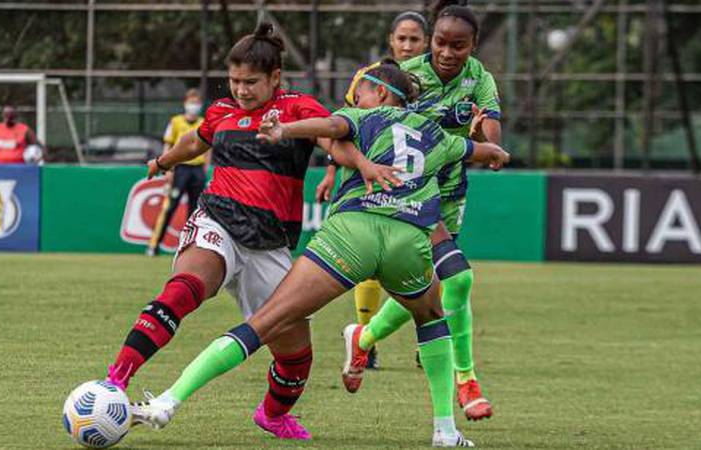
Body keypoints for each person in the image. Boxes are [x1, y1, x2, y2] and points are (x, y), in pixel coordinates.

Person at [130, 62, 509, 447]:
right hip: (408, 240)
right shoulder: (435, 132)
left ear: (380, 93)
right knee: (431, 319)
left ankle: (167, 401)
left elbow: (330, 128)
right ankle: (445, 429)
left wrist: (285, 130)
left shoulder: (363, 115)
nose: (353, 96)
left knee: (265, 322)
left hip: (353, 235)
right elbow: (484, 151)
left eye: (360, 88)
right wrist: (494, 150)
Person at [104, 23, 381, 440]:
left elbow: (333, 139)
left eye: (250, 82)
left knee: (296, 359)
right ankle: (116, 381)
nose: (241, 90)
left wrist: (359, 163)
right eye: (234, 81)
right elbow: (196, 144)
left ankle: (272, 415)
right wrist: (164, 161)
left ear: (275, 78)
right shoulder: (219, 113)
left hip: (269, 246)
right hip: (217, 221)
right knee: (185, 287)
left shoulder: (298, 108)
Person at [333, 0, 503, 421]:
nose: (447, 53)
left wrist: (483, 133)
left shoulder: (480, 79)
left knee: (428, 287)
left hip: (449, 195)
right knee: (458, 280)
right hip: (408, 196)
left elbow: (495, 148)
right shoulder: (408, 77)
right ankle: (466, 382)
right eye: (441, 43)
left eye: (458, 46)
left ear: (473, 46)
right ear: (431, 42)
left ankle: (364, 337)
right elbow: (355, 123)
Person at [336, 10, 430, 369]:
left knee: (425, 263)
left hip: (419, 180)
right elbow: (345, 125)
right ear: (391, 40)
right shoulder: (369, 78)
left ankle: (427, 339)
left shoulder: (432, 77)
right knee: (373, 264)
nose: (407, 45)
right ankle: (365, 337)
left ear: (426, 42)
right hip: (373, 176)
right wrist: (334, 172)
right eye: (402, 38)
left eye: (415, 39)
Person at [146, 89, 208, 257]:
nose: (193, 106)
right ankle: (154, 245)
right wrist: (168, 168)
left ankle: (190, 247)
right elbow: (168, 145)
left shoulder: (204, 122)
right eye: (191, 102)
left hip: (197, 170)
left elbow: (208, 148)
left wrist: (205, 168)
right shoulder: (176, 122)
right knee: (170, 207)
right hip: (180, 169)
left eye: (197, 102)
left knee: (195, 211)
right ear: (185, 103)